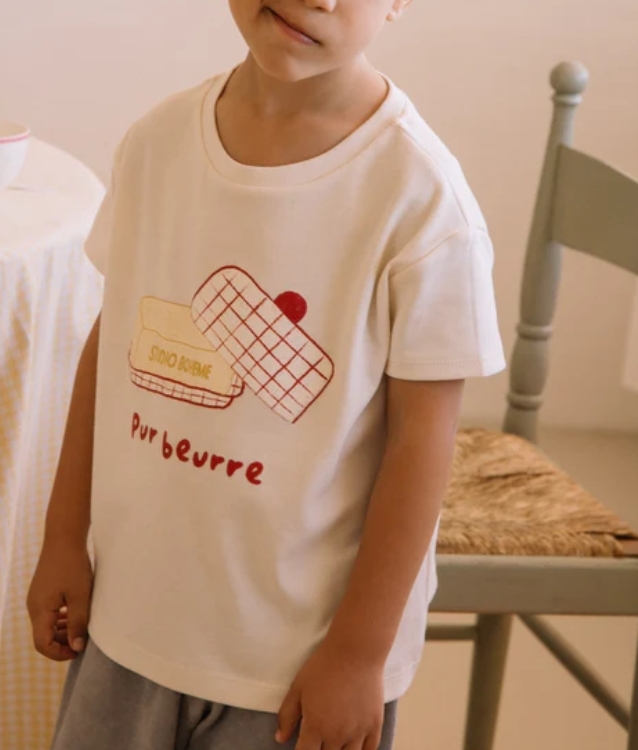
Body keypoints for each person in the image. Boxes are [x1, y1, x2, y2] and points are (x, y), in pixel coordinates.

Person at [27, 1, 506, 748]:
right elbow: (112, 341)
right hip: (133, 620)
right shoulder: (157, 143)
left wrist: (358, 653)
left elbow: (422, 441)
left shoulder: (421, 198)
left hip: (295, 666)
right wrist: (64, 535)